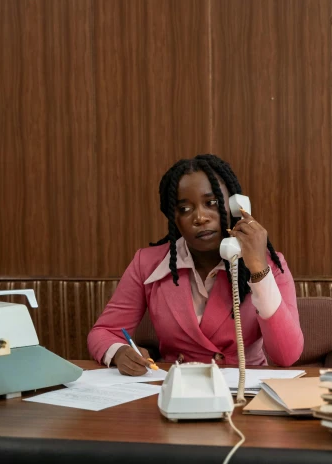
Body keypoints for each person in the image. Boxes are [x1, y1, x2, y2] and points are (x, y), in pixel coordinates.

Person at [88, 154, 304, 375]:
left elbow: (286, 356)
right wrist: (119, 351)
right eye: (184, 209)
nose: (200, 217)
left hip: (244, 390)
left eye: (212, 203)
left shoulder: (268, 263)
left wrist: (258, 270)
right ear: (173, 218)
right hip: (176, 391)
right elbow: (103, 331)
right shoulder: (148, 263)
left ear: (234, 206)